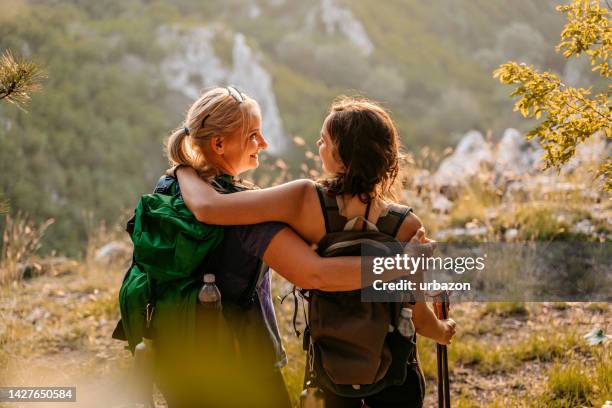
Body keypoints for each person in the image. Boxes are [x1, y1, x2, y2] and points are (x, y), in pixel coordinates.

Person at [158, 87, 437, 407]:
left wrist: (183, 169)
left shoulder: (169, 188)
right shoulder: (247, 212)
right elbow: (315, 274)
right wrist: (403, 265)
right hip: (240, 354)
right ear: (219, 143)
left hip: (174, 341)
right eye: (254, 136)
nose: (264, 144)